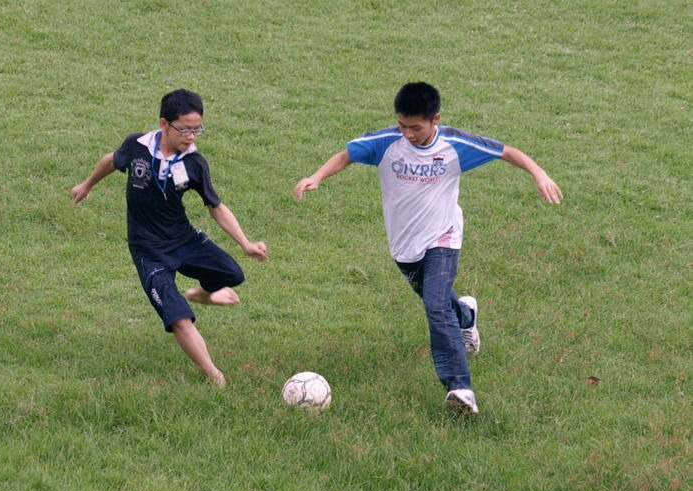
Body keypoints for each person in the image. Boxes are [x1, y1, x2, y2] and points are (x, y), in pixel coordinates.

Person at [294, 82, 562, 414]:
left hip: (444, 238)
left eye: (415, 127)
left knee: (435, 306)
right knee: (441, 305)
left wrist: (538, 173)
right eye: (402, 125)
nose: (407, 133)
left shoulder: (454, 144)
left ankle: (460, 388)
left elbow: (506, 151)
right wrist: (317, 176)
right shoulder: (387, 142)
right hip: (404, 246)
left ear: (435, 118)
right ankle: (466, 315)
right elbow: (347, 155)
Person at [71, 89, 268, 387]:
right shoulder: (137, 147)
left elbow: (216, 207)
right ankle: (215, 376)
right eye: (184, 129)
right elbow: (111, 160)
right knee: (178, 317)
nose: (191, 136)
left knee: (232, 273)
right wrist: (86, 185)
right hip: (149, 251)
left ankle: (202, 294)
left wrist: (246, 244)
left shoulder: (194, 163)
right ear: (164, 123)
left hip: (183, 239)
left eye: (196, 128)